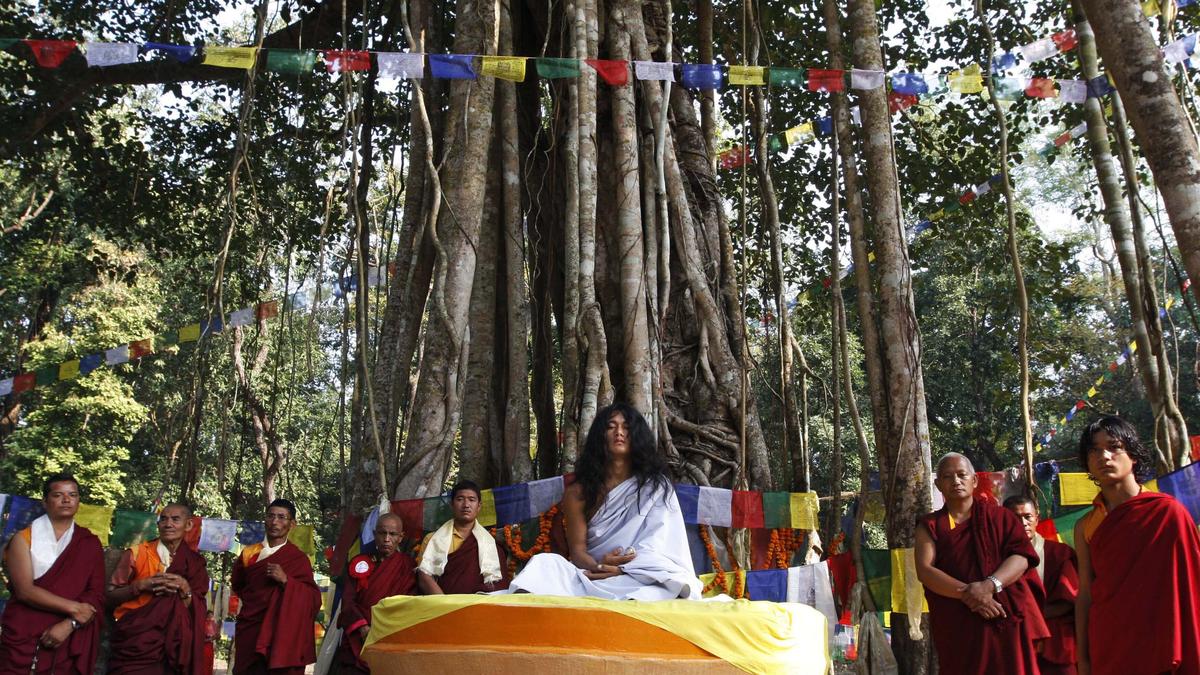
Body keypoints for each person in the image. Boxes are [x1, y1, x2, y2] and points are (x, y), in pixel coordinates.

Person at [504, 403, 703, 600]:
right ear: (600, 436)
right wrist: (600, 566)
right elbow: (578, 552)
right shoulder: (577, 492)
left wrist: (625, 569)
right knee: (544, 564)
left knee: (663, 585)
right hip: (595, 575)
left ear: (637, 436)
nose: (619, 432)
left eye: (626, 427)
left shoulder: (657, 488)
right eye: (611, 426)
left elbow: (659, 547)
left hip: (639, 576)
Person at [1074, 416, 1200, 675]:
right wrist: (1083, 659)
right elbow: (1085, 594)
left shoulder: (1168, 512)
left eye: (1113, 446)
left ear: (1132, 455)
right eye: (1094, 450)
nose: (1104, 456)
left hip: (1163, 638)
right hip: (1110, 643)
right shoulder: (1086, 525)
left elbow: (1192, 582)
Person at [914, 453, 1048, 674]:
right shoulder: (930, 526)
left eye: (961, 475)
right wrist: (970, 595)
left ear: (974, 480)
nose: (956, 481)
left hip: (1001, 615)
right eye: (947, 477)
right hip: (959, 622)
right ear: (938, 484)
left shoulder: (1001, 517)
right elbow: (925, 571)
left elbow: (1022, 557)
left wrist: (988, 586)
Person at [0, 473, 105, 674]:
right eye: (58, 495)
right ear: (45, 501)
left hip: (70, 636)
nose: (66, 500)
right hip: (25, 631)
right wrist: (75, 609)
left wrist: (70, 624)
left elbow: (96, 593)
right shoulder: (23, 539)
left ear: (78, 501)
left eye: (72, 495)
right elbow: (24, 591)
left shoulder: (89, 542)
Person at [106, 502, 210, 674]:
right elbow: (109, 596)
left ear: (189, 525)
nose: (168, 524)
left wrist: (185, 589)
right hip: (137, 642)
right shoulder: (137, 553)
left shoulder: (195, 563)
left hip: (176, 644)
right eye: (163, 519)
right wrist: (140, 585)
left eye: (175, 519)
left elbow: (198, 608)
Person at [230, 499, 322, 675]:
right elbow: (239, 585)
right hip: (251, 630)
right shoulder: (249, 553)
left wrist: (287, 581)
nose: (275, 522)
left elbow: (313, 600)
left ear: (292, 524)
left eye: (282, 517)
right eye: (271, 516)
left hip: (282, 634)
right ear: (265, 519)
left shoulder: (298, 559)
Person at [1005, 494, 1078, 675]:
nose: (1023, 523)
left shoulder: (1059, 553)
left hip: (1057, 643)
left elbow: (1070, 600)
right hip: (1014, 640)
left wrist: (1030, 616)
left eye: (1027, 517)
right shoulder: (996, 557)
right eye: (1015, 518)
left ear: (1037, 518)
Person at [336, 513, 417, 673]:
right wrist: (362, 627)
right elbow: (348, 600)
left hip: (389, 636)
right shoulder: (360, 563)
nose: (386, 539)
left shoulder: (407, 566)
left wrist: (384, 629)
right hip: (359, 636)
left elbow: (409, 602)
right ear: (374, 534)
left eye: (392, 534)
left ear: (400, 537)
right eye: (382, 533)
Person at [416, 481, 510, 594]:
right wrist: (445, 604)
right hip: (443, 606)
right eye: (460, 499)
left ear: (479, 506)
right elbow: (424, 577)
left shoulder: (490, 544)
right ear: (452, 504)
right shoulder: (433, 539)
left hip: (479, 607)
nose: (466, 505)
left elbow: (498, 585)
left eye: (471, 500)